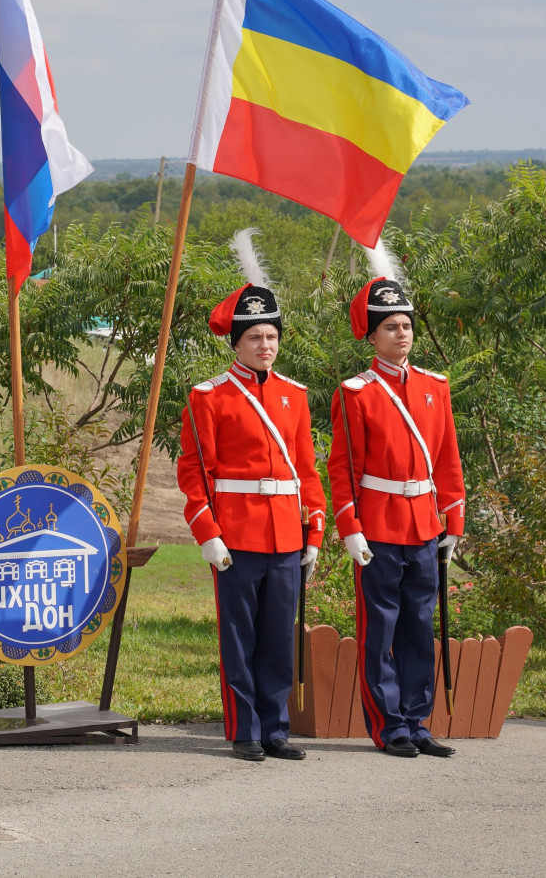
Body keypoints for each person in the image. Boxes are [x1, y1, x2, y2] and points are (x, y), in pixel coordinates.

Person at [178, 229, 327, 762]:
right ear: (235, 342)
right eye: (255, 338)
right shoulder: (208, 398)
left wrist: (314, 530)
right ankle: (245, 730)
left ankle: (276, 727)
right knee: (239, 638)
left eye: (271, 337)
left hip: (286, 531)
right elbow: (193, 471)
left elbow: (307, 471)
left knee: (277, 637)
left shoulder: (294, 397)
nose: (265, 346)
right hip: (236, 534)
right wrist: (207, 534)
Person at [327, 240, 464, 759]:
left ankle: (418, 720)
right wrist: (351, 527)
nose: (402, 333)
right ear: (373, 334)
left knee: (417, 627)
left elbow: (448, 458)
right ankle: (389, 727)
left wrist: (454, 520)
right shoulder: (355, 392)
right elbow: (342, 467)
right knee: (379, 629)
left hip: (425, 523)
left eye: (406, 324)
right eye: (391, 326)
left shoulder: (435, 386)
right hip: (379, 525)